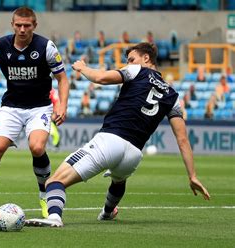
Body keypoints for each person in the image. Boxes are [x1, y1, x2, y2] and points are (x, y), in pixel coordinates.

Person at [25, 42, 210, 227]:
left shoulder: (137, 70)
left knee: (54, 181)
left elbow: (102, 78)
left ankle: (54, 218)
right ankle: (107, 212)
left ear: (146, 58)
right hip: (134, 154)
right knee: (118, 180)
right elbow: (183, 139)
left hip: (110, 140)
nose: (128, 63)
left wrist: (82, 68)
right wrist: (192, 176)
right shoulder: (173, 95)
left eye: (131, 59)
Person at [0, 7, 69, 218]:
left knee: (36, 147)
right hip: (11, 107)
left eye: (27, 25)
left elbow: (62, 78)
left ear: (34, 26)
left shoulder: (47, 47)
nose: (22, 29)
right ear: (12, 25)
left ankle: (45, 196)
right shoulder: (0, 45)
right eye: (18, 25)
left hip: (39, 107)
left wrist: (62, 105)